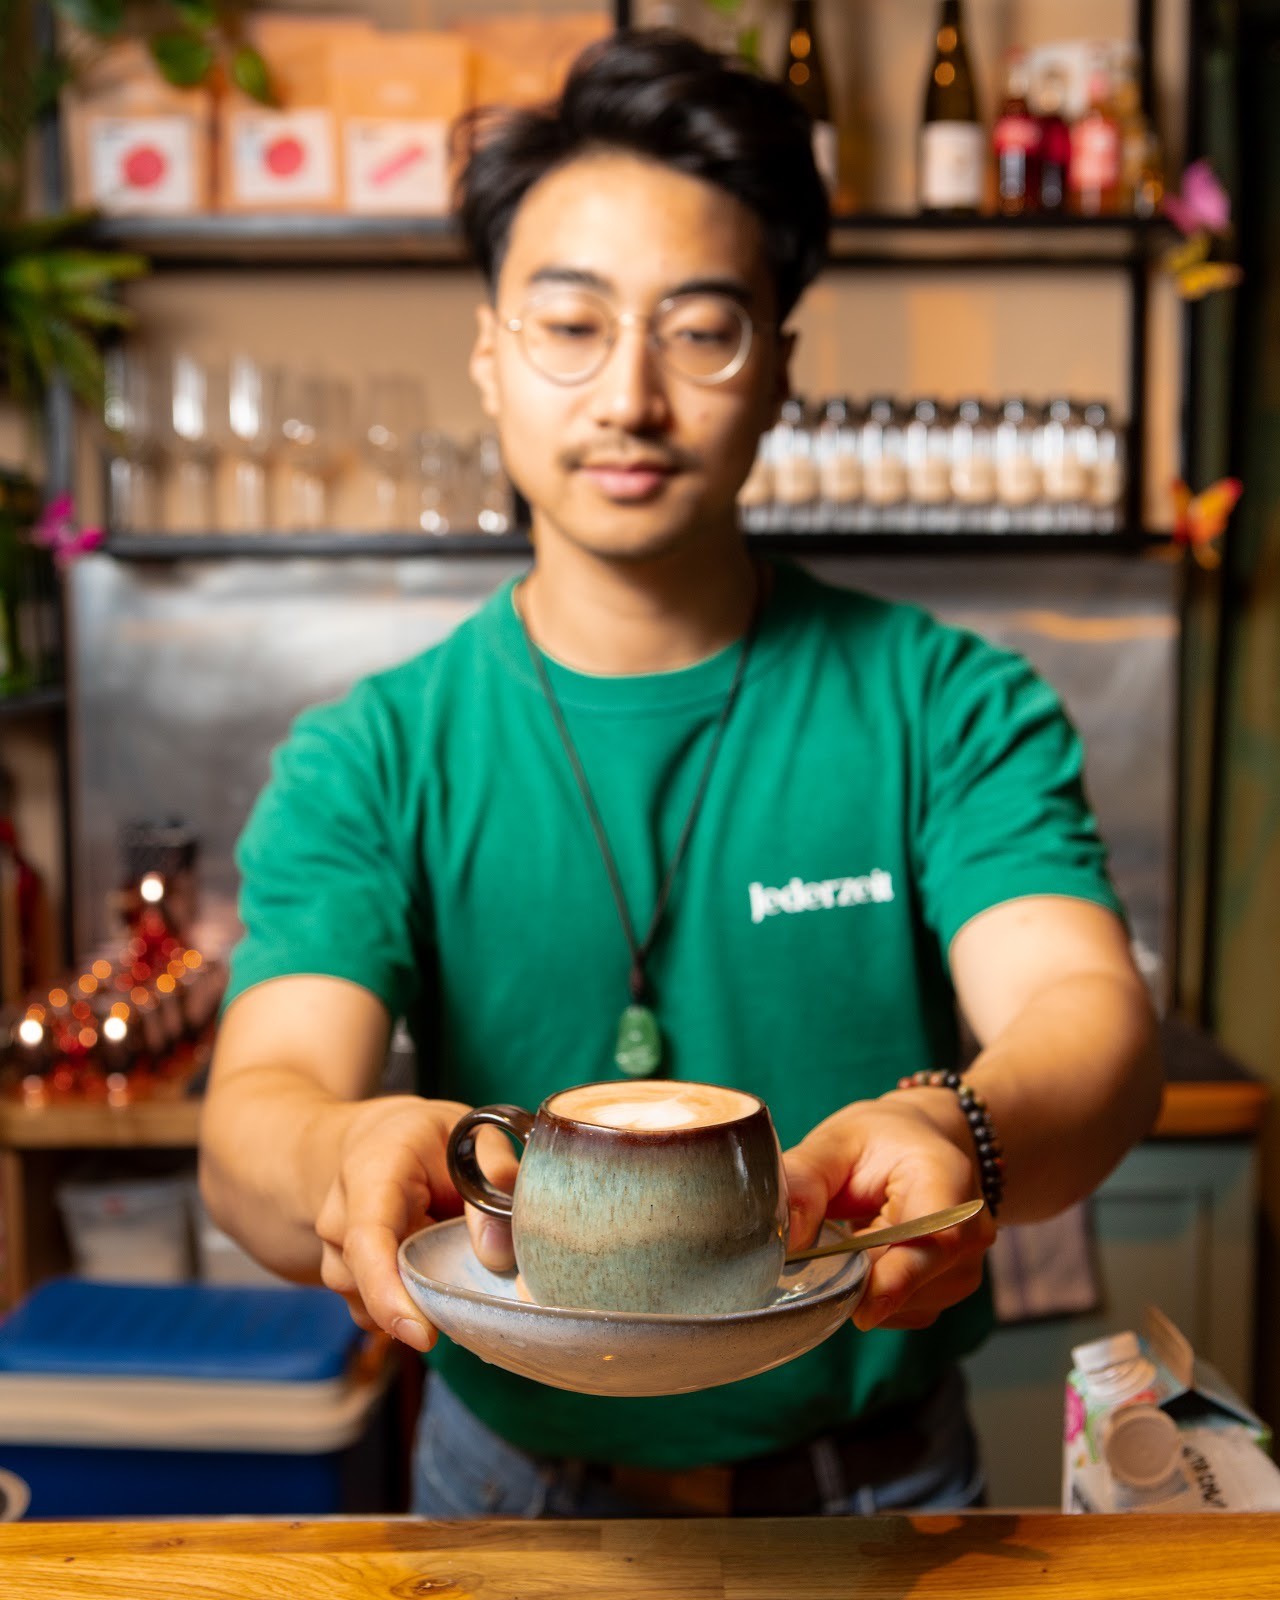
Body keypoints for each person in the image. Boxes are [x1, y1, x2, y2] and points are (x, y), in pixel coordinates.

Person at [199, 29, 1162, 1519]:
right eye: (569, 325)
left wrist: (954, 1127)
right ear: (488, 354)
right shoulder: (372, 751)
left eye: (702, 328)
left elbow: (1088, 1018)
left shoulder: (945, 703)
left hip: (881, 1489)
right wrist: (343, 1142)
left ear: (781, 363)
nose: (630, 399)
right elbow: (256, 1110)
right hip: (500, 1491)